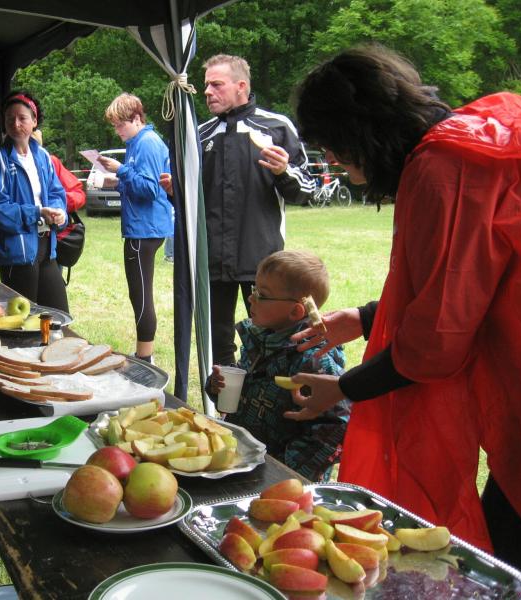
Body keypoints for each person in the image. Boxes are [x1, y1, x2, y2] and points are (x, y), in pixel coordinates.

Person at [287, 44, 521, 579]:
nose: (331, 158)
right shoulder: (473, 136)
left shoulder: (442, 167)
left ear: (357, 130)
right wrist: (365, 318)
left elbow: (438, 338)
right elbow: (464, 285)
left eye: (330, 143)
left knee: (509, 562)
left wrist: (345, 387)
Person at [167, 54, 315, 367]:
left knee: (270, 340)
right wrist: (175, 192)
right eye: (206, 85)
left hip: (261, 261)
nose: (207, 92)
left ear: (241, 86)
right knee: (217, 343)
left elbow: (307, 190)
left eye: (216, 84)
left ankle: (266, 394)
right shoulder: (199, 134)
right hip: (212, 261)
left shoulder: (276, 127)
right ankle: (225, 396)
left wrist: (283, 171)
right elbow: (192, 202)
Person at [206, 250, 348, 481]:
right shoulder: (260, 339)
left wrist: (285, 470)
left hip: (282, 480)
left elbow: (335, 428)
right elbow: (246, 392)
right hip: (244, 462)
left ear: (295, 311)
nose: (251, 298)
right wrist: (217, 386)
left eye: (262, 294)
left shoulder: (313, 360)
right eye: (254, 289)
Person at [97, 93, 172, 363]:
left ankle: (145, 356)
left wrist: (121, 171)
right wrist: (116, 182)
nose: (117, 131)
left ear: (137, 119)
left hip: (145, 229)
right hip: (142, 227)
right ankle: (143, 353)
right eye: (115, 125)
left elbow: (150, 189)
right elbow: (137, 183)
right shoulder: (136, 143)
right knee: (138, 293)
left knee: (140, 295)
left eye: (121, 124)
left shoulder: (147, 143)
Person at [0, 91, 69, 311]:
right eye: (10, 118)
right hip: (16, 253)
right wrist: (37, 213)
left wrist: (59, 212)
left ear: (34, 121)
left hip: (46, 248)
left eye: (22, 118)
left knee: (58, 315)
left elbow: (56, 193)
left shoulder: (43, 157)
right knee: (24, 321)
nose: (15, 124)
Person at [30, 129, 86, 273]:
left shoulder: (51, 162)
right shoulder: (5, 161)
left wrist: (59, 205)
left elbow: (78, 194)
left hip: (52, 243)